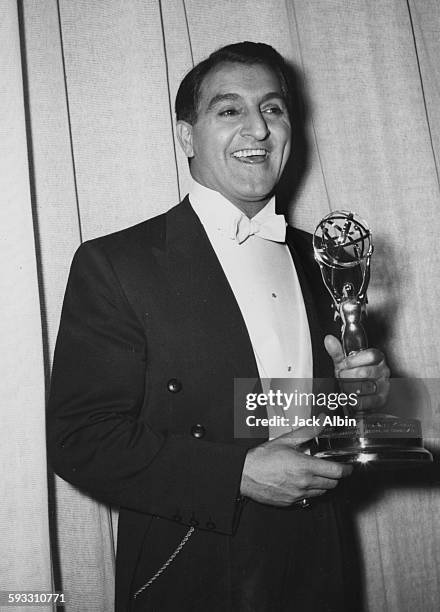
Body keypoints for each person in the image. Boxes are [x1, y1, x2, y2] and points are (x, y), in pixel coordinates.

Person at [47, 42, 389, 611]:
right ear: (187, 136)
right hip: (192, 568)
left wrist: (364, 398)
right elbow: (80, 438)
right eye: (230, 111)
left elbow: (302, 412)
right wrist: (236, 474)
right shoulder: (118, 263)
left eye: (273, 109)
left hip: (319, 564)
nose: (257, 128)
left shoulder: (324, 258)